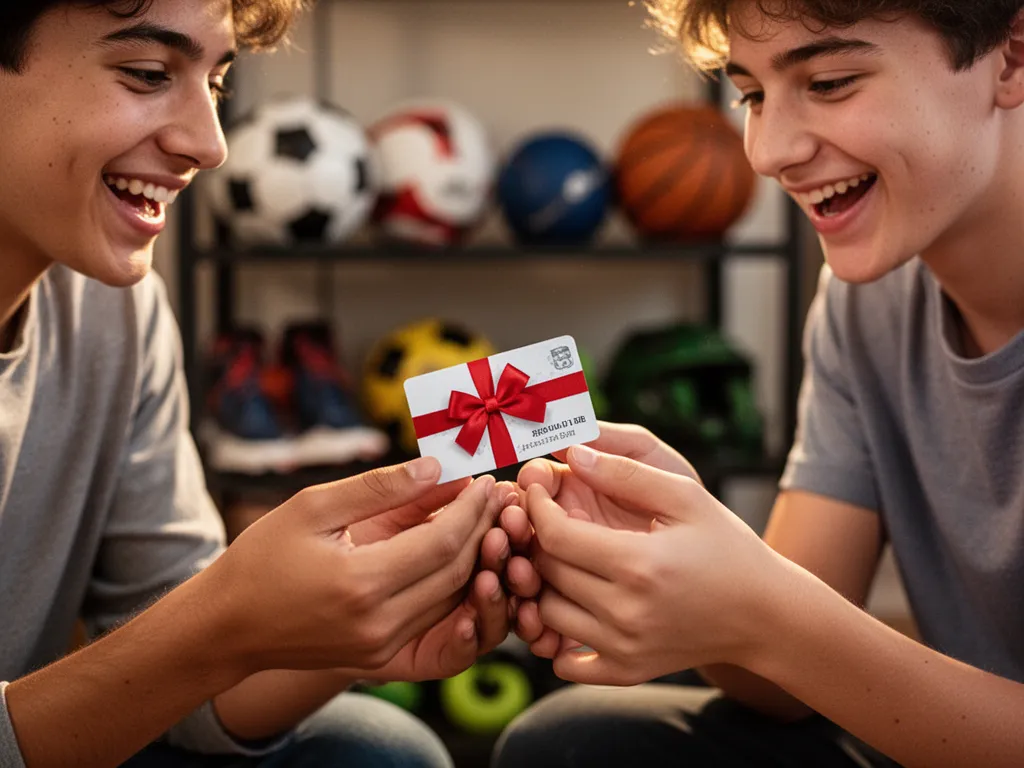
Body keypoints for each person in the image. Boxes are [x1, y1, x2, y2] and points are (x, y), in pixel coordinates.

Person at [492, 1, 1024, 766]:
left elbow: (786, 635)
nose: (769, 151)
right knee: (573, 744)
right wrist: (683, 558)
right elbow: (776, 687)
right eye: (751, 95)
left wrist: (761, 614)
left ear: (1010, 54)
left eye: (833, 81)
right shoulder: (864, 300)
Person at [0, 2, 521, 766]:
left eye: (216, 80)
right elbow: (187, 650)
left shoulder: (120, 307)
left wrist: (361, 618)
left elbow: (176, 691)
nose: (208, 145)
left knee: (376, 751)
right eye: (148, 74)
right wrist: (225, 623)